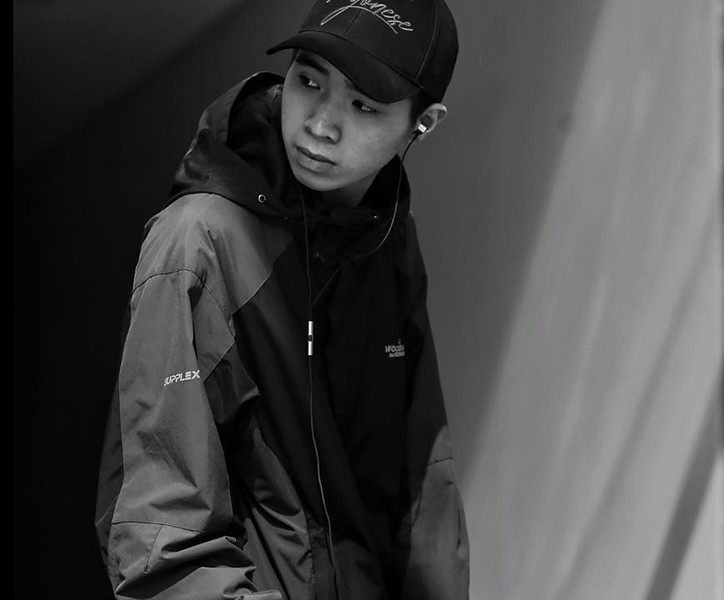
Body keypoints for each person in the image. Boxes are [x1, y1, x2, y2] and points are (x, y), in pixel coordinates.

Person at [94, 0, 469, 598]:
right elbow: (162, 541)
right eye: (309, 81)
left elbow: (420, 482)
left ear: (423, 122)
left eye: (364, 105)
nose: (320, 124)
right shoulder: (198, 242)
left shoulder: (386, 238)